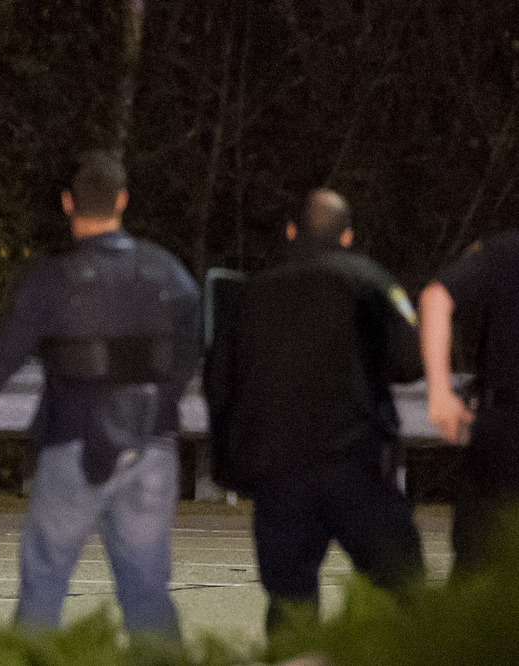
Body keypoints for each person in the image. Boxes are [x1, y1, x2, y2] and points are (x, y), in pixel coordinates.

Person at [0, 151, 201, 641]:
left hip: (72, 445)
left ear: (67, 203)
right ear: (122, 201)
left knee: (45, 583)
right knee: (147, 587)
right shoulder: (166, 270)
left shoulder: (53, 277)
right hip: (152, 448)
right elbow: (190, 351)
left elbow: (1, 354)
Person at [204, 188, 425, 639]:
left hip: (279, 472)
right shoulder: (369, 279)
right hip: (356, 467)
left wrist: (233, 464)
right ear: (347, 236)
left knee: (290, 602)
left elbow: (218, 384)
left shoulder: (249, 295)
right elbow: (409, 362)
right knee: (404, 588)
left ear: (291, 232)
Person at [419, 228, 519, 576]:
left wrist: (440, 392)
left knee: (477, 568)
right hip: (504, 427)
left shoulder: (504, 250)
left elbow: (435, 297)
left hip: (505, 427)